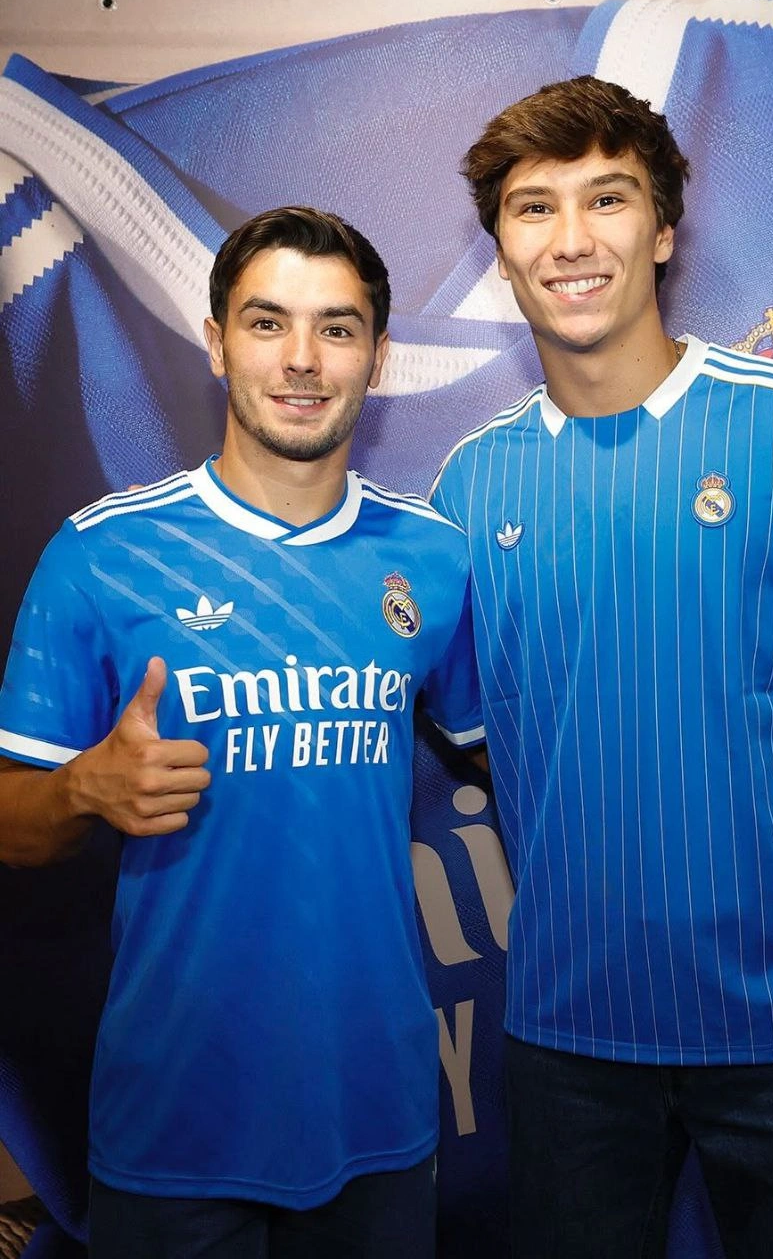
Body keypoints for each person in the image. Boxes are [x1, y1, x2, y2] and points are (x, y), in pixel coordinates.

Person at [429, 76, 773, 1258]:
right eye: (534, 208)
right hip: (572, 1038)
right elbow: (468, 732)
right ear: (502, 254)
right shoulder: (466, 489)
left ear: (664, 229)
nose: (571, 238)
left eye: (607, 198)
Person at [0, 206, 483, 1258]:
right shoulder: (102, 554)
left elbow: (522, 755)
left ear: (377, 357)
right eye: (268, 323)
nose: (302, 358)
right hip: (173, 1120)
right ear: (218, 344)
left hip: (377, 1111)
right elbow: (11, 826)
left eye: (337, 328)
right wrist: (83, 789)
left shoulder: (435, 558)